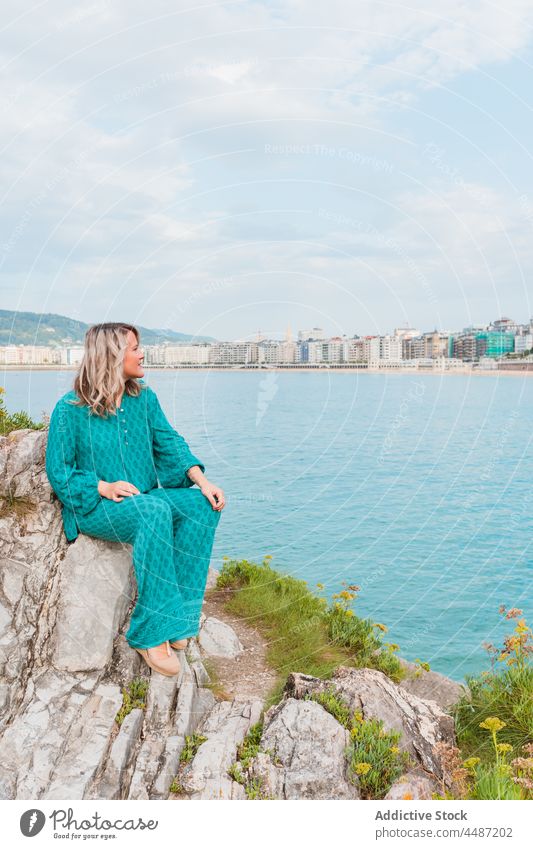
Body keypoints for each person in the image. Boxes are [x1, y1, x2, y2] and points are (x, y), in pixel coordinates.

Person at [45, 322, 225, 677]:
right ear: (112, 356)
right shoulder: (69, 409)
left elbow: (169, 442)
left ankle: (179, 619)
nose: (142, 354)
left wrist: (202, 481)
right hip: (96, 508)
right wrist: (102, 487)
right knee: (154, 511)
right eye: (134, 348)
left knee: (201, 507)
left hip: (143, 500)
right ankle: (149, 633)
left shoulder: (144, 399)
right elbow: (59, 471)